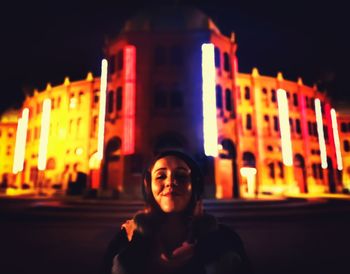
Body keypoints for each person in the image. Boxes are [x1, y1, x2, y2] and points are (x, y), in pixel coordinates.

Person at [101, 150, 252, 274]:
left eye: (181, 175)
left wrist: (210, 249)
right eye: (160, 176)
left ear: (194, 186)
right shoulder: (126, 239)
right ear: (148, 187)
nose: (170, 182)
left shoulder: (225, 240)